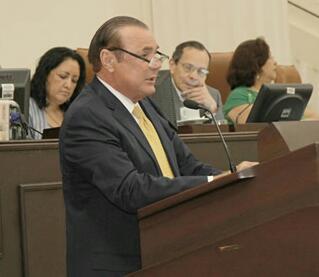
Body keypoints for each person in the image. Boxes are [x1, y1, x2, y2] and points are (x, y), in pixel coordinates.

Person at [59, 16, 257, 277]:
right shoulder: (88, 114)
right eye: (145, 55)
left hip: (162, 251)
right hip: (117, 265)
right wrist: (212, 182)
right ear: (108, 60)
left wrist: (229, 179)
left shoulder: (145, 104)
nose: (156, 65)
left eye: (157, 55)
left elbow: (186, 165)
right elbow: (129, 189)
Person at [151, 40, 224, 128]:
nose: (194, 76)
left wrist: (212, 110)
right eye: (188, 68)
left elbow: (222, 138)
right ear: (172, 65)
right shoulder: (153, 89)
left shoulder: (213, 95)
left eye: (201, 71)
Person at [28, 47, 86, 139]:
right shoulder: (27, 109)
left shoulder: (78, 114)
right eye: (63, 76)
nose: (68, 85)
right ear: (45, 74)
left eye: (74, 80)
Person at [223, 38, 277, 124]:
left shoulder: (274, 93)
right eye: (269, 57)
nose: (275, 62)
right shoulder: (238, 95)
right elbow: (249, 123)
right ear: (257, 63)